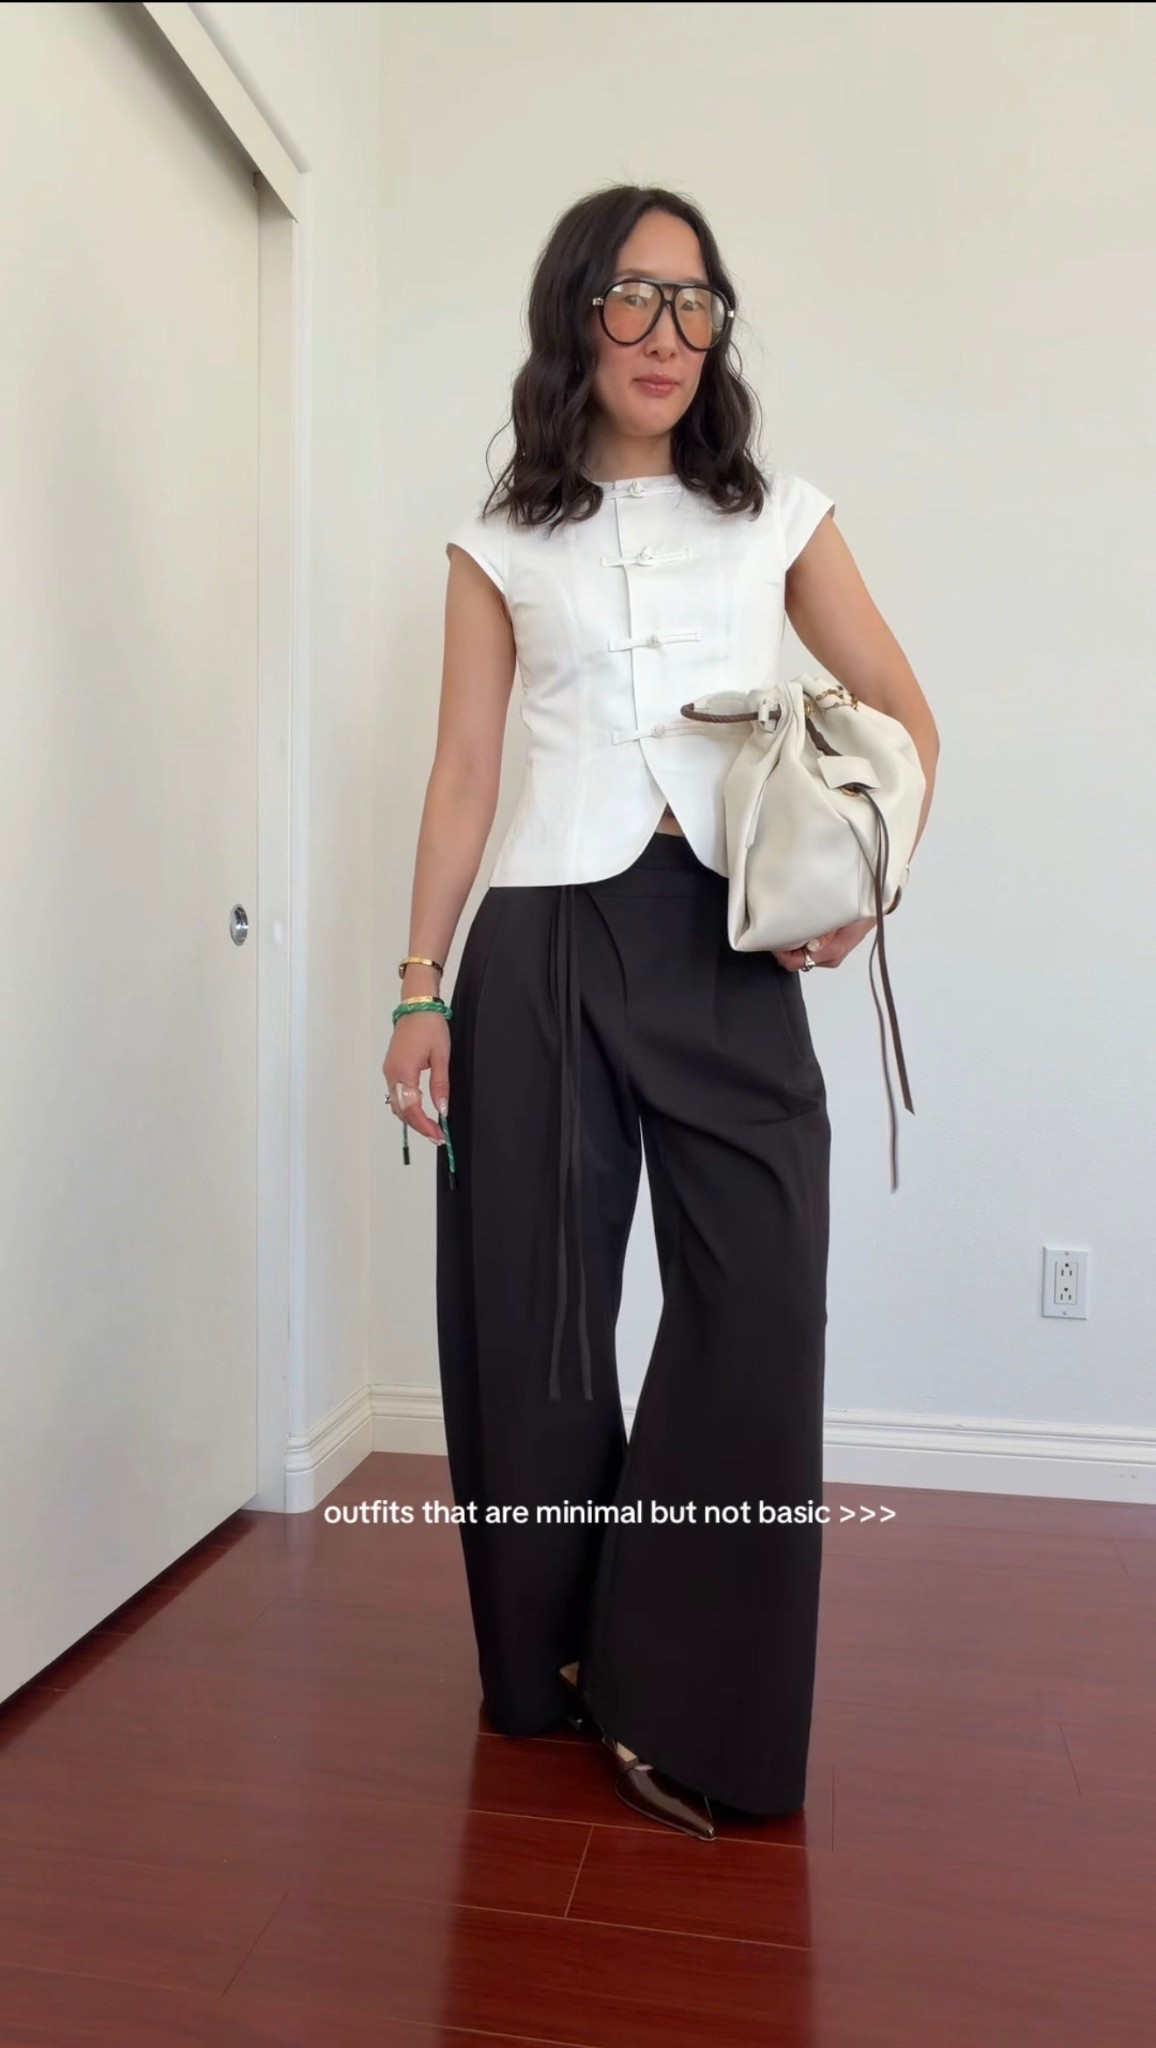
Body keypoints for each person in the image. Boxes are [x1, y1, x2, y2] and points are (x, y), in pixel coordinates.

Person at [382, 185, 940, 1842]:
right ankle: (550, 1665)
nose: (669, 334)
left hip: (725, 942)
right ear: (577, 313)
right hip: (542, 940)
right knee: (538, 1322)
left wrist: (868, 882)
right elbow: (465, 773)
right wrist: (418, 988)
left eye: (697, 304)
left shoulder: (779, 519)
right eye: (635, 297)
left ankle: (693, 1692)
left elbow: (902, 714)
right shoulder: (499, 542)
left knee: (757, 1303)